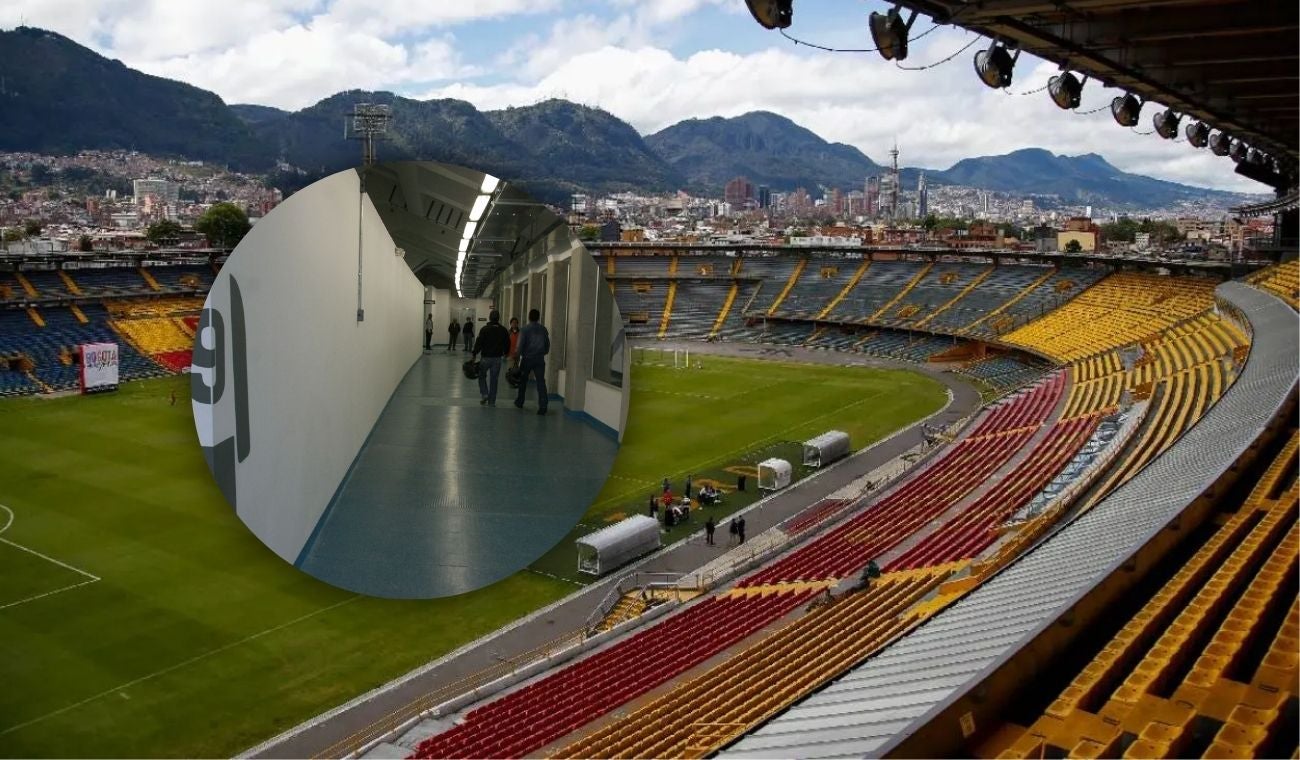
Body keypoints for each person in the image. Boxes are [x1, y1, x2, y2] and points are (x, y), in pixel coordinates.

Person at [514, 308, 550, 415]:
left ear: (529, 317)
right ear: (538, 318)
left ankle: (520, 401)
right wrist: (543, 353)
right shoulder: (543, 329)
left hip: (527, 359)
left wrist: (517, 356)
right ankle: (543, 406)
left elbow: (520, 346)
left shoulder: (525, 329)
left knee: (523, 381)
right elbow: (547, 345)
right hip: (539, 359)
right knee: (541, 382)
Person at [472, 310, 511, 406]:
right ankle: (492, 401)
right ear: (498, 318)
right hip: (497, 358)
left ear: (490, 318)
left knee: (481, 376)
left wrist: (474, 353)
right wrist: (505, 353)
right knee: (494, 380)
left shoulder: (484, 329)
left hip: (485, 358)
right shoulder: (503, 330)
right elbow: (507, 343)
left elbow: (479, 342)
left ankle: (484, 394)